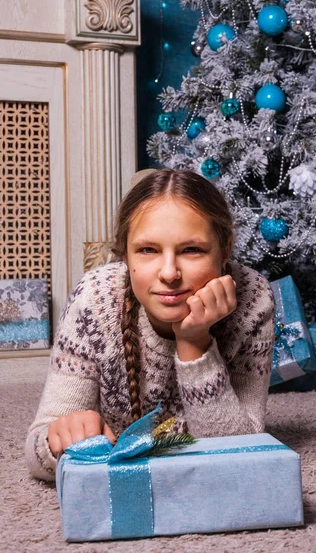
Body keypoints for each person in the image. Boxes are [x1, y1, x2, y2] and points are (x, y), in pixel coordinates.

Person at [25, 169, 275, 481]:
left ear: (224, 250)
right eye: (148, 250)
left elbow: (240, 455)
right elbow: (36, 450)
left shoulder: (253, 299)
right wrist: (59, 437)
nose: (169, 273)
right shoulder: (94, 299)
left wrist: (194, 344)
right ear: (124, 251)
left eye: (191, 250)